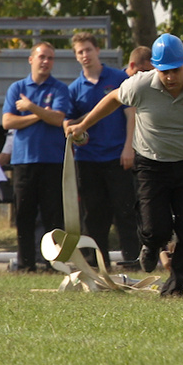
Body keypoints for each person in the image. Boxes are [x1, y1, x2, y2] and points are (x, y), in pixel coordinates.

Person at [66, 33, 183, 297]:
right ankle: (151, 244)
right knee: (155, 227)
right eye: (164, 71)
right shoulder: (140, 85)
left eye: (175, 70)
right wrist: (82, 125)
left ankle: (175, 287)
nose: (170, 77)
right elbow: (113, 99)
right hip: (152, 164)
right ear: (155, 68)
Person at [68, 32, 139, 269]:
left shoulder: (119, 78)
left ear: (97, 50)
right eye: (80, 52)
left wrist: (129, 147)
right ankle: (97, 264)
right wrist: (72, 128)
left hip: (118, 156)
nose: (85, 55)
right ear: (76, 56)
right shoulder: (75, 88)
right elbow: (68, 123)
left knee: (125, 212)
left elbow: (131, 115)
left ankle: (132, 260)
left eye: (88, 49)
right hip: (88, 159)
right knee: (94, 215)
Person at [1, 43, 72, 272]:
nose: (46, 61)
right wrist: (40, 114)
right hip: (24, 161)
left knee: (52, 216)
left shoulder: (60, 89)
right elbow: (8, 121)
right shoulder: (17, 88)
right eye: (42, 57)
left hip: (52, 161)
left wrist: (30, 107)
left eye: (50, 58)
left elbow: (58, 118)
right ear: (31, 59)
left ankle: (53, 264)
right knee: (24, 215)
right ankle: (26, 264)